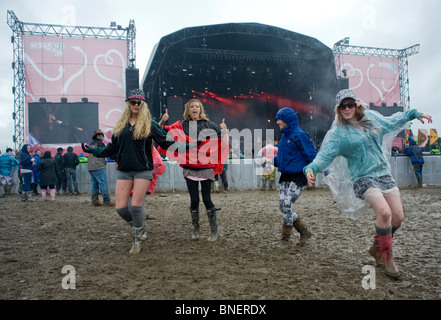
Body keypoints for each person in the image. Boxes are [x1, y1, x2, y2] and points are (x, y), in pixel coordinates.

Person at [304, 89, 432, 279]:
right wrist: (311, 169)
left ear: (356, 104)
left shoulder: (371, 119)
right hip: (362, 178)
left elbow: (392, 121)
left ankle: (376, 246)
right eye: (343, 106)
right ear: (338, 109)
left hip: (383, 173)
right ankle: (388, 258)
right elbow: (324, 156)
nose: (347, 109)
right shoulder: (338, 133)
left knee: (398, 217)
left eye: (350, 105)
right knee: (385, 212)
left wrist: (414, 113)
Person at [82, 89, 193, 254]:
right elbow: (113, 148)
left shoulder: (150, 124)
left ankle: (136, 240)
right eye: (132, 102)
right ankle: (140, 226)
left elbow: (165, 141)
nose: (135, 104)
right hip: (124, 170)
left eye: (139, 102)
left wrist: (188, 147)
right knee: (120, 209)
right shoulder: (121, 125)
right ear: (128, 104)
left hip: (143, 170)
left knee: (135, 206)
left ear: (143, 105)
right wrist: (94, 151)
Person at [158, 99, 229, 242]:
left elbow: (224, 144)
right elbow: (161, 134)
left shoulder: (210, 125)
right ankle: (196, 229)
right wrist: (162, 121)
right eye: (192, 107)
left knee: (207, 199)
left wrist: (225, 131)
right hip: (189, 168)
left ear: (200, 109)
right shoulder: (181, 125)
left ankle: (214, 231)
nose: (194, 108)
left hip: (206, 167)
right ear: (188, 110)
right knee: (194, 200)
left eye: (197, 106)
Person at [272, 108, 316, 248]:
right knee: (283, 206)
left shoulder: (300, 135)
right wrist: (272, 161)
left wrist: (326, 172)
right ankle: (304, 231)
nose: (278, 121)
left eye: (280, 118)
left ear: (288, 120)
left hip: (298, 176)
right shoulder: (284, 136)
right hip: (285, 175)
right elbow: (282, 158)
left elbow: (312, 154)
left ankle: (285, 239)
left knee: (286, 205)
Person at [87, 129, 112, 206]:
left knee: (94, 184)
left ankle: (94, 200)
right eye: (102, 135)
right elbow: (105, 154)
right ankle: (106, 200)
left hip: (91, 168)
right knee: (103, 183)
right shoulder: (101, 144)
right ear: (98, 136)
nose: (103, 137)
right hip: (99, 167)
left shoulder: (90, 144)